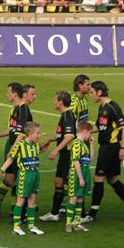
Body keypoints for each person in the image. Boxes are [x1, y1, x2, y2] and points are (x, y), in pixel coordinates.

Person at [83, 80, 124, 222]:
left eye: (92, 93)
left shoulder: (113, 107)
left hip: (111, 147)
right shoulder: (102, 107)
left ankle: (92, 214)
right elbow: (99, 126)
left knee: (98, 178)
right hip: (106, 147)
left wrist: (122, 147)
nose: (90, 95)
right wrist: (83, 133)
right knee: (112, 179)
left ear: (99, 92)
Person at [0, 122, 44, 235]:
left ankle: (31, 225)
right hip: (25, 174)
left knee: (32, 200)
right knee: (21, 200)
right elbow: (11, 158)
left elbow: (37, 153)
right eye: (37, 133)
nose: (39, 135)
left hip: (35, 174)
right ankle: (16, 226)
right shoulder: (20, 145)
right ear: (30, 133)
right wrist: (2, 170)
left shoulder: (35, 145)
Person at [39, 92, 77, 222]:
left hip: (69, 154)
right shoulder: (64, 116)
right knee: (59, 182)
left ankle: (80, 215)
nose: (54, 102)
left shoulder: (68, 116)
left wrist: (56, 149)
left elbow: (70, 136)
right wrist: (50, 140)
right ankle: (54, 214)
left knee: (71, 185)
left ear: (61, 102)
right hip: (64, 154)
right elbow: (62, 134)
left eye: (55, 100)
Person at [0, 83, 32, 215]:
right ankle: (11, 207)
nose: (7, 94)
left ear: (15, 94)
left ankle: (18, 209)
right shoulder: (14, 109)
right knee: (10, 179)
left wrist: (13, 149)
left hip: (20, 150)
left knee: (18, 179)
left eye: (9, 92)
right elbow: (12, 130)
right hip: (13, 146)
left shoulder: (23, 109)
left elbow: (22, 132)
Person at [66, 122, 95, 232]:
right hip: (77, 173)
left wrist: (92, 145)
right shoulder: (77, 143)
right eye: (90, 133)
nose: (90, 136)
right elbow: (76, 161)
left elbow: (91, 159)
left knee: (80, 197)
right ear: (84, 131)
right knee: (74, 197)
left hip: (85, 171)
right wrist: (81, 178)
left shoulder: (84, 144)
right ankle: (69, 223)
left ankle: (77, 223)